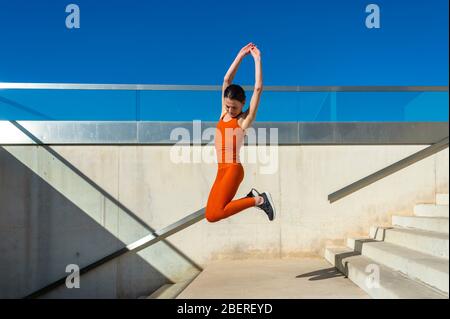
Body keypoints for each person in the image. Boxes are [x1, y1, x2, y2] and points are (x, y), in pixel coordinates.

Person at [205, 42, 276, 223]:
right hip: (221, 171)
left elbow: (258, 88)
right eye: (227, 106)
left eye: (234, 107)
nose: (230, 110)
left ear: (242, 104)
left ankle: (259, 199)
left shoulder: (243, 120)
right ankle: (252, 197)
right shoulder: (223, 114)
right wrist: (240, 56)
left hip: (233, 169)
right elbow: (226, 80)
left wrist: (257, 59)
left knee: (217, 212)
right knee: (210, 215)